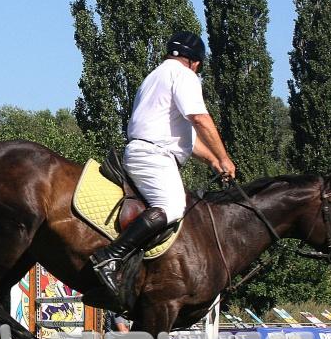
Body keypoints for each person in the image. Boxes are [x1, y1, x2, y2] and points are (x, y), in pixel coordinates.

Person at [91, 31, 236, 313]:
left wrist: (212, 161)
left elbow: (180, 137)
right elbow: (199, 119)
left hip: (145, 150)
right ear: (195, 62)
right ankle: (111, 257)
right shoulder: (185, 76)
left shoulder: (154, 76)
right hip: (154, 156)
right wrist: (224, 156)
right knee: (173, 206)